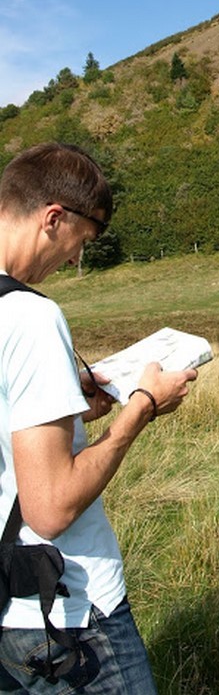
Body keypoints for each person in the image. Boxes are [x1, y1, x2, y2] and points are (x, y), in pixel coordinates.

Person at [0, 142, 198, 692]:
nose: (73, 262)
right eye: (79, 244)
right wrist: (142, 408)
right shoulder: (31, 319)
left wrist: (70, 399)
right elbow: (50, 507)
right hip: (65, 615)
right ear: (53, 218)